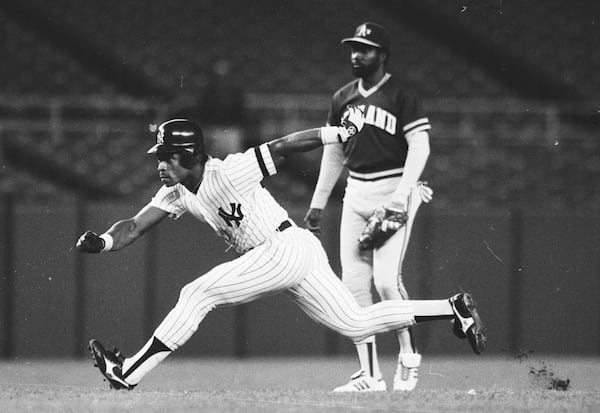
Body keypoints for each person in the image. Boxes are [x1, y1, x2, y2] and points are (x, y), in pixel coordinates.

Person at [75, 115, 486, 391]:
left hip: (282, 246)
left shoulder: (228, 170)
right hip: (289, 251)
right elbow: (133, 225)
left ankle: (127, 373)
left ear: (191, 156)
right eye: (159, 157)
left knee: (197, 293)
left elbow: (285, 145)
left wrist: (336, 133)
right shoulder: (176, 192)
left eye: (167, 156)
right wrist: (104, 242)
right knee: (356, 324)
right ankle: (454, 309)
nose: (160, 164)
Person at [304, 22, 433, 392]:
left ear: (382, 54)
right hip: (356, 193)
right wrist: (318, 203)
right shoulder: (342, 97)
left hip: (394, 188)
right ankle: (371, 375)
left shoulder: (401, 94)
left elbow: (420, 147)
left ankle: (409, 358)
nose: (356, 54)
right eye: (353, 47)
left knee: (386, 281)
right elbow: (333, 152)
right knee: (354, 287)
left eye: (366, 48)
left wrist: (401, 195)